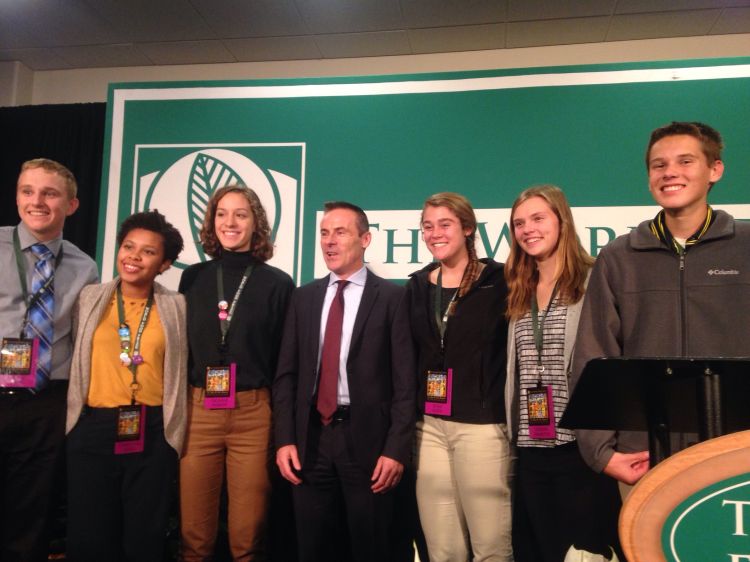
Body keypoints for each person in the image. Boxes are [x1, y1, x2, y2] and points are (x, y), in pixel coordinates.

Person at [572, 121, 750, 486]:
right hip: (645, 457)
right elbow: (592, 355)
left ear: (714, 169)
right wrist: (601, 452)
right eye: (659, 165)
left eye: (685, 161)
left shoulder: (745, 247)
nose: (670, 172)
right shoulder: (619, 257)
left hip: (736, 453)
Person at [273, 201, 416, 562]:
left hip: (369, 444)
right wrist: (285, 439)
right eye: (324, 233)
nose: (329, 242)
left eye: (340, 232)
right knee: (314, 548)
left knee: (371, 549)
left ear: (365, 239)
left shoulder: (393, 298)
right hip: (310, 442)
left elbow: (405, 382)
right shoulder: (303, 297)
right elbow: (286, 376)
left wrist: (396, 448)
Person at [504, 185, 621, 562]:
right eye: (519, 223)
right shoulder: (520, 288)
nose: (528, 229)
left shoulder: (592, 280)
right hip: (530, 447)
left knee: (587, 552)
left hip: (580, 448)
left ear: (562, 221)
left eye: (538, 218)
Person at [178, 185, 294, 560]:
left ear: (255, 222)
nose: (230, 222)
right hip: (198, 413)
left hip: (253, 415)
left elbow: (283, 361)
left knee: (248, 536)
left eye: (240, 214)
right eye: (222, 213)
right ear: (212, 221)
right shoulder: (192, 278)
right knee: (194, 534)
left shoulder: (277, 283)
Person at [65, 210, 187, 561]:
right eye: (128, 246)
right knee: (89, 536)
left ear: (164, 264)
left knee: (144, 537)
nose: (133, 256)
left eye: (148, 252)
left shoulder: (176, 306)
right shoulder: (89, 298)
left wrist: (170, 437)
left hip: (150, 430)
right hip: (93, 427)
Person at [405, 192, 513, 562]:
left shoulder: (500, 280)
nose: (435, 233)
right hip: (430, 427)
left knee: (491, 548)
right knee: (442, 549)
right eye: (428, 226)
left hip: (482, 428)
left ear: (467, 228)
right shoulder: (418, 286)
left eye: (445, 224)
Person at [0, 158, 98, 561]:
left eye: (50, 193)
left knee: (31, 511)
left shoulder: (85, 266)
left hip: (47, 399)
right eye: (27, 191)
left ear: (71, 205)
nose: (36, 201)